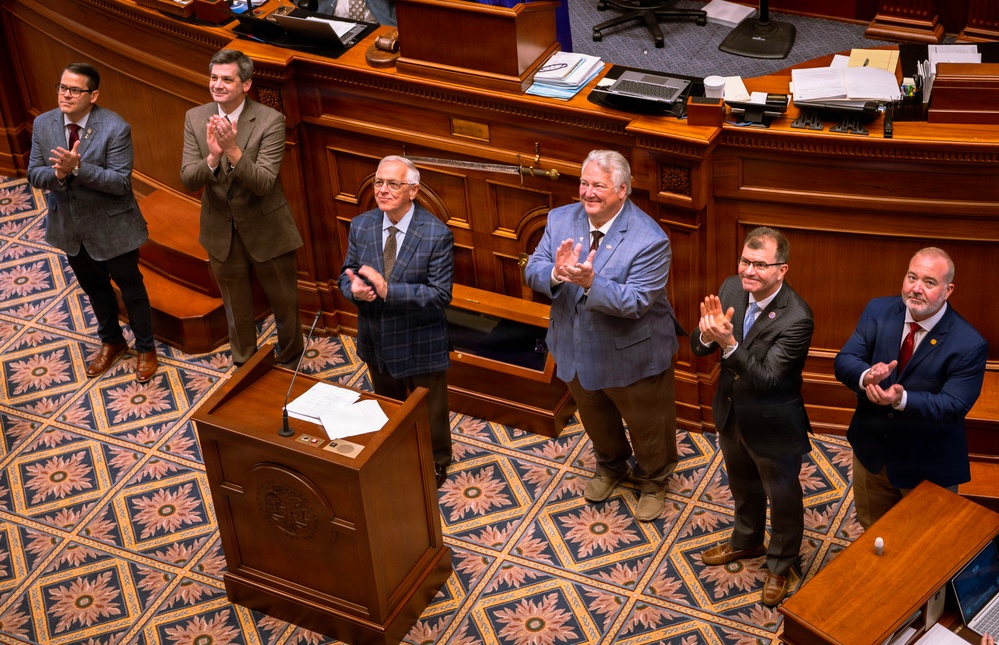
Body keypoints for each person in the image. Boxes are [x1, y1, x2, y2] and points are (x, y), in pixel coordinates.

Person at [523, 149, 678, 523]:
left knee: (648, 427)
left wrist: (592, 282)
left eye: (599, 186)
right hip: (574, 346)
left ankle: (654, 480)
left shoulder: (649, 240)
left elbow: (636, 301)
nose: (588, 193)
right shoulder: (560, 219)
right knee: (595, 418)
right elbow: (534, 270)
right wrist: (557, 274)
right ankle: (611, 466)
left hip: (632, 354)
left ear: (622, 191)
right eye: (584, 183)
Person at [692, 226, 813, 607]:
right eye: (745, 261)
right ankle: (746, 541)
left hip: (773, 421)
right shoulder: (730, 288)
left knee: (783, 495)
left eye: (760, 265)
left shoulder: (796, 318)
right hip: (731, 411)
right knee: (742, 483)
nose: (749, 271)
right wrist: (709, 335)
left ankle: (781, 564)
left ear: (782, 270)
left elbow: (766, 379)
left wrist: (727, 343)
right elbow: (698, 345)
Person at [834, 247, 988, 529]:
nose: (916, 289)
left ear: (948, 289)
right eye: (911, 277)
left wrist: (901, 398)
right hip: (872, 457)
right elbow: (845, 360)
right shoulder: (878, 310)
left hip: (927, 467)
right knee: (873, 535)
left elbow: (953, 406)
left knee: (922, 551)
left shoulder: (969, 343)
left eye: (929, 282)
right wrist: (867, 375)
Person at [26, 63, 158, 383]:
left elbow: (119, 183)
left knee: (131, 288)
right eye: (62, 87)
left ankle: (145, 348)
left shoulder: (115, 127)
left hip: (113, 227)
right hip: (70, 227)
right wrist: (58, 173)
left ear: (93, 95)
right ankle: (112, 340)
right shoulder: (43, 124)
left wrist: (77, 169)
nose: (65, 95)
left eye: (74, 90)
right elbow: (33, 174)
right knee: (94, 288)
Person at [180, 49, 304, 367]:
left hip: (267, 228)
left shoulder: (270, 120)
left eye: (226, 79)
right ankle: (245, 365)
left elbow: (263, 182)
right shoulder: (195, 117)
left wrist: (232, 150)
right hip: (221, 230)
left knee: (285, 304)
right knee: (236, 309)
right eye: (213, 78)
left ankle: (290, 361)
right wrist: (211, 157)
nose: (217, 85)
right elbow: (188, 179)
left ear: (246, 84)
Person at [337, 156, 454, 487]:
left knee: (430, 409)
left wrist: (390, 291)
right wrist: (355, 291)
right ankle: (398, 453)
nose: (383, 190)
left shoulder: (435, 234)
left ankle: (436, 460)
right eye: (378, 182)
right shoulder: (362, 225)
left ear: (413, 190)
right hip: (377, 336)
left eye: (393, 183)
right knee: (387, 403)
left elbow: (440, 295)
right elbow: (345, 276)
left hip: (421, 337)